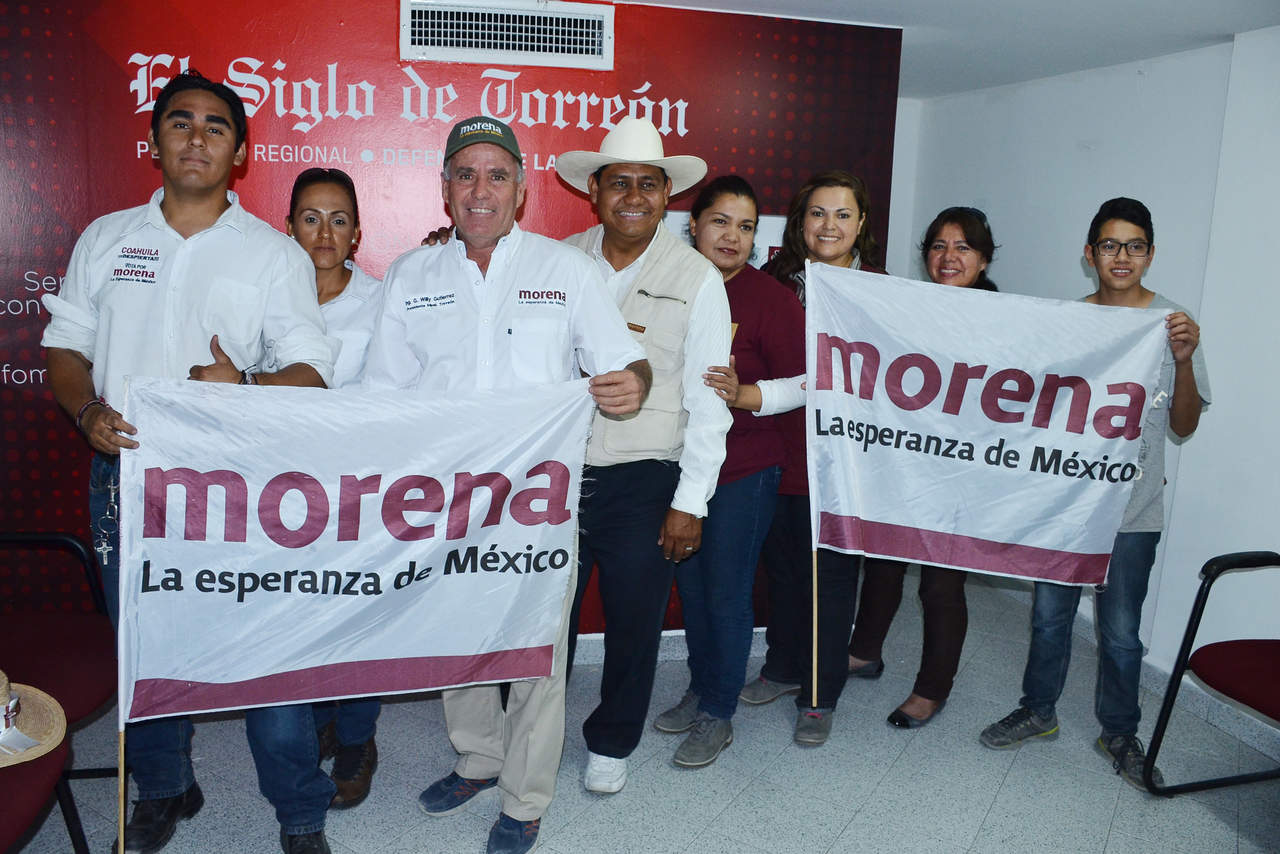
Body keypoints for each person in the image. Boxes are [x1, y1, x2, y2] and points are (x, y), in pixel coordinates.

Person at [41, 72, 337, 854]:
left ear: (240, 153)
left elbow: (313, 371)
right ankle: (166, 788)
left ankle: (300, 813)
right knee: (147, 648)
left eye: (216, 126)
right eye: (180, 122)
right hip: (130, 477)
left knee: (269, 650)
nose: (197, 137)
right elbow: (66, 347)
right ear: (154, 142)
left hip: (240, 481)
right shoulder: (106, 238)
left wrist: (244, 386)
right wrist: (87, 411)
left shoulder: (273, 255)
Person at [360, 116, 649, 854]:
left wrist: (632, 383)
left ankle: (525, 796)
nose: (480, 190)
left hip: (537, 505)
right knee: (456, 638)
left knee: (534, 654)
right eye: (465, 175)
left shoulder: (566, 270)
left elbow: (625, 360)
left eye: (497, 175)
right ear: (445, 188)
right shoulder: (411, 275)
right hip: (443, 501)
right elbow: (381, 394)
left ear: (521, 190)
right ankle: (478, 757)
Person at [978, 197, 1210, 791]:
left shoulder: (1173, 324)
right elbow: (1037, 410)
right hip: (1066, 506)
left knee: (1121, 632)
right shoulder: (1069, 321)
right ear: (1090, 254)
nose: (1121, 256)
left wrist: (1184, 363)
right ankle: (1039, 710)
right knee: (1049, 617)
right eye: (1109, 245)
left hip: (1133, 510)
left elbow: (1184, 425)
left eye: (1135, 246)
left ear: (1150, 254)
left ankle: (1120, 732)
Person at [556, 118, 733, 784]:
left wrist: (691, 502)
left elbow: (709, 401)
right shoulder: (558, 262)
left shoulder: (698, 278)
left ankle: (612, 743)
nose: (634, 196)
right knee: (545, 619)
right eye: (619, 182)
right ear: (594, 191)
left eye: (649, 184)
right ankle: (530, 733)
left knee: (634, 623)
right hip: (557, 472)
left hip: (644, 475)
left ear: (667, 195)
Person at [650, 176, 804, 764]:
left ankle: (718, 712)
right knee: (690, 588)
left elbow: (809, 382)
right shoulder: (671, 282)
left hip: (746, 468)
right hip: (678, 463)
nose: (732, 236)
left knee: (727, 592)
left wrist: (746, 395)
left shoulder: (772, 299)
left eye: (746, 227)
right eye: (720, 221)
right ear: (692, 224)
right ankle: (700, 687)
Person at [737, 170, 892, 746]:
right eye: (818, 213)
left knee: (830, 580)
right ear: (800, 223)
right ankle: (782, 667)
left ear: (861, 223)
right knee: (781, 570)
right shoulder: (772, 283)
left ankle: (821, 696)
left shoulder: (883, 292)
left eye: (843, 214)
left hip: (844, 461)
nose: (830, 225)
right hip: (779, 449)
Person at [845, 206, 1000, 729]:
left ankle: (933, 688)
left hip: (961, 472)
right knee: (883, 562)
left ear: (984, 259)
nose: (948, 257)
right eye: (938, 246)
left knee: (940, 583)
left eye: (963, 247)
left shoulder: (1007, 320)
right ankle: (864, 652)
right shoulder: (908, 308)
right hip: (904, 461)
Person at [284, 167, 384, 808]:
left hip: (357, 489)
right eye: (311, 218)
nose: (325, 232)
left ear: (356, 234)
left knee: (358, 614)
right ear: (288, 227)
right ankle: (319, 716)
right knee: (300, 612)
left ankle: (356, 739)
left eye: (339, 220)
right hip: (278, 492)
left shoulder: (380, 300)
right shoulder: (265, 297)